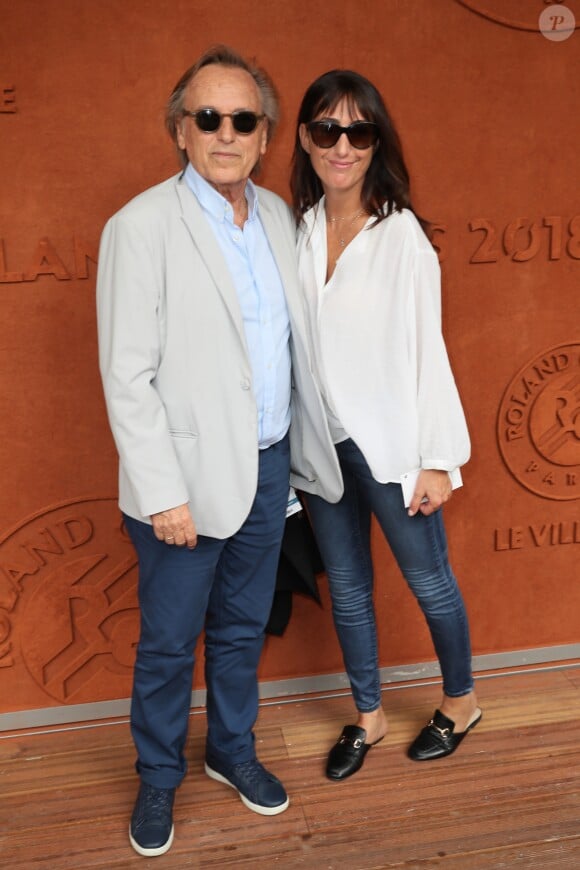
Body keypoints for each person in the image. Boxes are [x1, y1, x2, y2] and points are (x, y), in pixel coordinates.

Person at [96, 46, 342, 857]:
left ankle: (232, 752)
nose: (225, 133)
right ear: (180, 129)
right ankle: (159, 777)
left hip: (269, 466)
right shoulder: (138, 228)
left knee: (242, 628)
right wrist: (162, 490)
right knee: (170, 643)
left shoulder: (276, 215)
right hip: (185, 482)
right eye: (209, 118)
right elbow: (126, 376)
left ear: (266, 134)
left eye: (243, 119)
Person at [290, 69, 481, 782]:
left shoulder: (402, 238)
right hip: (322, 451)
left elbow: (427, 351)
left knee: (429, 582)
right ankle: (367, 714)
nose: (342, 146)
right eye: (327, 130)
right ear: (306, 139)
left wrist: (435, 457)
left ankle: (460, 703)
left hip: (393, 451)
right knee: (347, 587)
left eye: (358, 131)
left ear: (376, 143)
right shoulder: (301, 227)